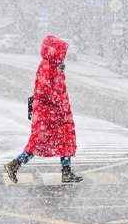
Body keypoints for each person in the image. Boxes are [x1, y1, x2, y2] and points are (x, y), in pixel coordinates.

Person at [5, 35, 82, 183]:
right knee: (39, 142)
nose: (63, 56)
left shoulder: (54, 66)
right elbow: (44, 91)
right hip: (48, 113)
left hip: (58, 112)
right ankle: (15, 164)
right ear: (54, 52)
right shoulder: (47, 66)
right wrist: (58, 102)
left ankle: (66, 172)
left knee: (66, 138)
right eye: (61, 52)